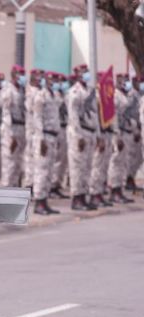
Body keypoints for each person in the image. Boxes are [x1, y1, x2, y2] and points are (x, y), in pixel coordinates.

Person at [67, 64, 99, 210]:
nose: (85, 74)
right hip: (79, 134)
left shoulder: (91, 91)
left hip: (90, 132)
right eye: (83, 72)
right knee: (77, 167)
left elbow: (95, 114)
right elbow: (73, 116)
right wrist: (78, 136)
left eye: (87, 71)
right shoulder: (74, 92)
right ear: (78, 75)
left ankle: (83, 197)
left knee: (87, 167)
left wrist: (98, 135)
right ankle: (76, 199)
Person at [31, 71, 61, 215]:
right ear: (45, 80)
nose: (54, 81)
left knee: (49, 171)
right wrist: (41, 138)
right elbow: (37, 118)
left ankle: (45, 200)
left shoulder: (54, 95)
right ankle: (38, 202)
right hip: (44, 137)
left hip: (53, 136)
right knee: (41, 170)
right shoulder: (40, 96)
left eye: (55, 78)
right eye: (51, 78)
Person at [88, 71, 115, 209]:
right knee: (97, 166)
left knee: (103, 166)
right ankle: (93, 193)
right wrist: (99, 136)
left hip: (106, 133)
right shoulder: (95, 96)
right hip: (99, 134)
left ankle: (98, 193)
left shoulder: (106, 95)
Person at [110, 73, 136, 203]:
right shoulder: (115, 95)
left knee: (123, 163)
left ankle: (119, 189)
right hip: (118, 133)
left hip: (126, 132)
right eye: (124, 80)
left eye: (127, 80)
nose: (126, 82)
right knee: (116, 162)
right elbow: (113, 116)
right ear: (118, 81)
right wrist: (117, 134)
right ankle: (114, 190)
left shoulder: (125, 95)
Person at [0, 65, 27, 187]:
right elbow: (6, 113)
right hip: (10, 130)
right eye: (20, 74)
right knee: (9, 164)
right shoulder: (7, 90)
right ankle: (5, 194)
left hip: (21, 128)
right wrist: (11, 136)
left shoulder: (21, 90)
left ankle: (14, 194)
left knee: (18, 164)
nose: (23, 77)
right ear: (14, 74)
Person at [50, 73, 70, 199]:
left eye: (62, 82)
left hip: (65, 128)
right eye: (59, 81)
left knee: (62, 160)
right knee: (56, 159)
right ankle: (52, 185)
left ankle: (57, 184)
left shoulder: (64, 95)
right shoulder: (54, 96)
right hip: (56, 130)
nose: (61, 84)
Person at [24, 68, 44, 189]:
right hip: (30, 128)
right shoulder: (29, 91)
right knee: (29, 157)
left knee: (35, 158)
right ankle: (28, 184)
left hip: (36, 128)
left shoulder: (39, 91)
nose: (40, 79)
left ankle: (32, 184)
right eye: (38, 77)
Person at [126, 75, 143, 194]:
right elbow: (127, 114)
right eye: (139, 82)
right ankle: (128, 179)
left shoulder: (140, 95)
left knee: (138, 158)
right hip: (133, 130)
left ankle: (131, 178)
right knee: (131, 157)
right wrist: (134, 128)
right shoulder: (131, 95)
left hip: (139, 129)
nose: (140, 84)